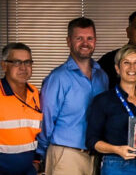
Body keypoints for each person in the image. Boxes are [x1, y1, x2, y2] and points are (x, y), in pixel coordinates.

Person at [37, 17, 109, 175]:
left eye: (89, 38)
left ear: (95, 41)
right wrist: (41, 154)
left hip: (95, 157)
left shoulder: (102, 76)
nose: (85, 43)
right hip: (66, 156)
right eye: (79, 38)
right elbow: (46, 120)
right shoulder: (58, 78)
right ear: (69, 41)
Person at [86, 44, 136, 175]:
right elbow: (92, 141)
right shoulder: (104, 100)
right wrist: (117, 149)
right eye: (126, 63)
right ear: (117, 69)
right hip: (116, 165)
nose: (132, 68)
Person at [0, 43, 41, 175]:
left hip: (29, 171)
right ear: (4, 65)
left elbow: (37, 132)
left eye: (27, 62)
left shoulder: (34, 93)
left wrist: (36, 162)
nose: (23, 68)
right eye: (17, 62)